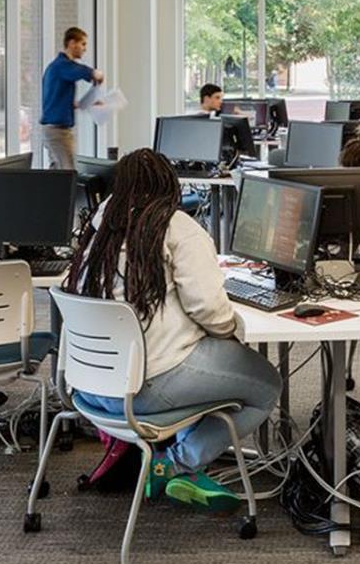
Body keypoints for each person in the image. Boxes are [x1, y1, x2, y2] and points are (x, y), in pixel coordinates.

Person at [65, 149, 281, 513]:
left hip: (89, 388)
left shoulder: (99, 225)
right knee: (264, 384)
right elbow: (209, 309)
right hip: (146, 390)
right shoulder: (177, 227)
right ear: (171, 187)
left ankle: (180, 459)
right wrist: (230, 334)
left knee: (207, 365)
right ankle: (177, 464)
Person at [40, 27, 104, 170]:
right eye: (83, 44)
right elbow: (79, 70)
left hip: (54, 130)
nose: (85, 49)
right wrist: (94, 73)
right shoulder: (61, 65)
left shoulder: (56, 68)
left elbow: (57, 99)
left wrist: (82, 103)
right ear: (72, 43)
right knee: (68, 172)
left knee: (58, 172)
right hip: (58, 132)